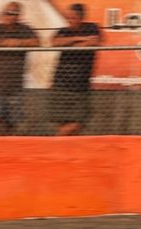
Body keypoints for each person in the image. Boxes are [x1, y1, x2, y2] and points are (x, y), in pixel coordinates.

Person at [0, 2, 39, 135]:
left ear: (19, 15)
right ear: (3, 14)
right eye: (8, 13)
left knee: (11, 123)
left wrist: (18, 43)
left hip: (15, 85)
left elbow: (36, 42)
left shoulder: (24, 29)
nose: (10, 16)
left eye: (14, 14)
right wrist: (4, 43)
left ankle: (6, 149)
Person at [49, 3, 101, 136]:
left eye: (73, 18)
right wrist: (80, 39)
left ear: (81, 17)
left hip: (80, 84)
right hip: (61, 83)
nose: (70, 21)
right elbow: (55, 42)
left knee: (78, 122)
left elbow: (94, 42)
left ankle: (54, 143)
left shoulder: (91, 27)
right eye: (68, 18)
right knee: (61, 120)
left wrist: (70, 43)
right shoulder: (63, 31)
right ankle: (63, 149)